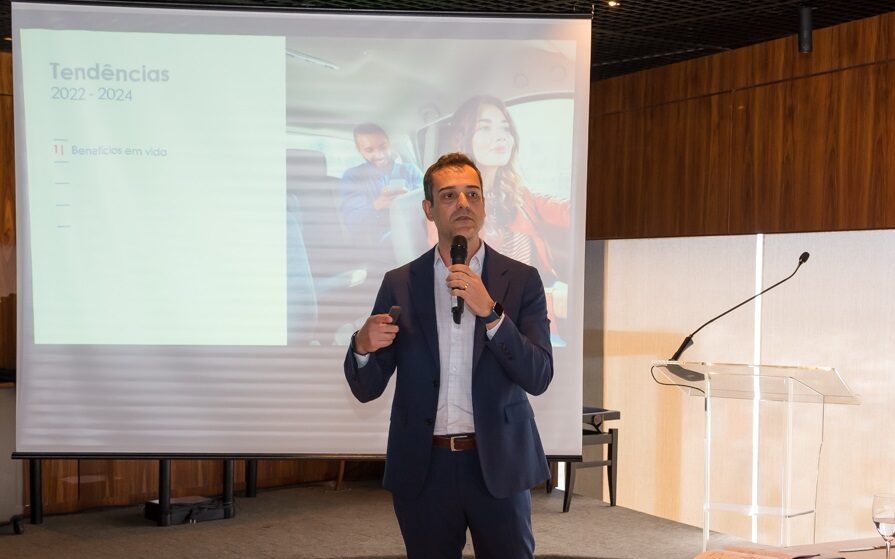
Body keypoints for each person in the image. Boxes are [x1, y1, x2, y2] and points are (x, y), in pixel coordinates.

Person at [343, 152, 553, 559]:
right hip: (425, 467)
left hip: (499, 462)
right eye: (449, 196)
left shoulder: (521, 280)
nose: (463, 204)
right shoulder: (400, 283)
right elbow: (368, 389)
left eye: (473, 194)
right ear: (428, 209)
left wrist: (491, 313)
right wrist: (362, 347)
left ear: (484, 206)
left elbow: (539, 375)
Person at [449, 95, 570, 283]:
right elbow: (465, 288)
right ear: (462, 138)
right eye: (484, 128)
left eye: (505, 128)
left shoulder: (518, 194)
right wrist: (553, 298)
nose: (501, 136)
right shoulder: (449, 207)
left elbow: (565, 210)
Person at [340, 123, 423, 246]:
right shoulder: (353, 177)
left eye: (382, 147)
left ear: (389, 143)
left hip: (417, 235)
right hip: (378, 246)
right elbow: (353, 223)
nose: (379, 155)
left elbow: (431, 204)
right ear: (359, 149)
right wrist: (378, 205)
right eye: (369, 150)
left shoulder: (411, 171)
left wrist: (408, 201)